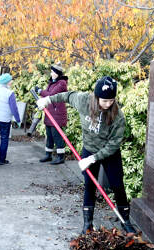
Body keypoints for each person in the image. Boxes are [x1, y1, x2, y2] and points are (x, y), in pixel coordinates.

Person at [36, 76, 136, 234]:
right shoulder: (83, 100)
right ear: (96, 97)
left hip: (109, 153)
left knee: (117, 185)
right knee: (89, 186)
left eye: (111, 100)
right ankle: (87, 224)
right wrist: (48, 100)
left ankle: (126, 221)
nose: (108, 104)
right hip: (89, 148)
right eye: (104, 101)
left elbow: (114, 143)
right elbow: (66, 96)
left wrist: (92, 159)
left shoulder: (118, 115)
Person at [34, 64, 68, 165]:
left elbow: (51, 95)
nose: (52, 74)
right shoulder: (52, 83)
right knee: (49, 135)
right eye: (51, 72)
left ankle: (61, 157)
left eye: (53, 72)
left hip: (57, 113)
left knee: (57, 135)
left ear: (57, 73)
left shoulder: (61, 83)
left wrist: (40, 91)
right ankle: (48, 155)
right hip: (50, 113)